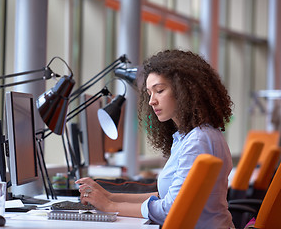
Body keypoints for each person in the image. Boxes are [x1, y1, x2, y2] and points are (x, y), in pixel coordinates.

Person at [76, 49, 235, 228]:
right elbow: (166, 198)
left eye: (159, 90)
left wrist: (110, 206)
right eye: (149, 93)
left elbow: (170, 209)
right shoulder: (192, 136)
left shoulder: (198, 141)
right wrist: (109, 196)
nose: (151, 101)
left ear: (184, 90)